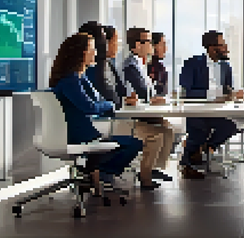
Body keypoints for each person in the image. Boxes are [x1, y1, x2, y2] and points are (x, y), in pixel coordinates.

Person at [49, 33, 142, 187]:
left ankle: (93, 171)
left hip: (81, 132)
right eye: (92, 49)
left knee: (124, 139)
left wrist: (105, 104)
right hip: (81, 136)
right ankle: (99, 172)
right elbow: (91, 107)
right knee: (134, 143)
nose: (96, 53)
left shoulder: (78, 78)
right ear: (81, 53)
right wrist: (110, 105)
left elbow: (97, 101)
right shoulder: (71, 81)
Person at [179, 30, 242, 179]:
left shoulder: (226, 66)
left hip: (217, 112)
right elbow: (185, 92)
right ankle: (187, 164)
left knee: (231, 126)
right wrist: (213, 96)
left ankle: (206, 148)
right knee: (199, 130)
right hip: (197, 111)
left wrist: (234, 95)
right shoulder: (192, 63)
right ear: (212, 48)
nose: (226, 47)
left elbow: (228, 90)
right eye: (222, 45)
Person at [122, 27, 175, 189]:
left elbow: (149, 92)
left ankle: (153, 169)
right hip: (129, 117)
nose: (152, 45)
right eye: (148, 41)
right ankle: (145, 176)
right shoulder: (130, 66)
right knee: (158, 133)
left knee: (168, 128)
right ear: (137, 45)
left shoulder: (140, 63)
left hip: (140, 111)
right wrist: (151, 98)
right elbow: (143, 91)